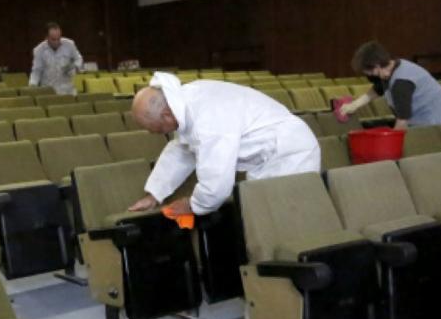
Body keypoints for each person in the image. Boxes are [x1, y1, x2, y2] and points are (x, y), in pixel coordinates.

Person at [128, 72, 321, 216]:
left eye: (153, 128)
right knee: (264, 217)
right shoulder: (185, 102)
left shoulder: (207, 119)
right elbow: (182, 151)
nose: (151, 133)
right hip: (277, 153)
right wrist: (154, 194)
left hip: (290, 155)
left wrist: (193, 205)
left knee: (281, 222)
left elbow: (217, 182)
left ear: (166, 115)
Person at [336, 41, 441, 128]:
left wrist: (390, 142)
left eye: (368, 72)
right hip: (437, 124)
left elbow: (402, 121)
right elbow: (378, 89)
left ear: (376, 67)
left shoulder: (400, 83)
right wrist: (354, 105)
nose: (369, 76)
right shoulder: (393, 67)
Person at [28, 22, 83, 95]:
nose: (57, 42)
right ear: (46, 38)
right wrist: (32, 85)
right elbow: (36, 71)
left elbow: (78, 59)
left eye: (59, 38)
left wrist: (75, 67)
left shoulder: (69, 44)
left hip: (68, 90)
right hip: (48, 91)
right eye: (53, 39)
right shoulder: (39, 50)